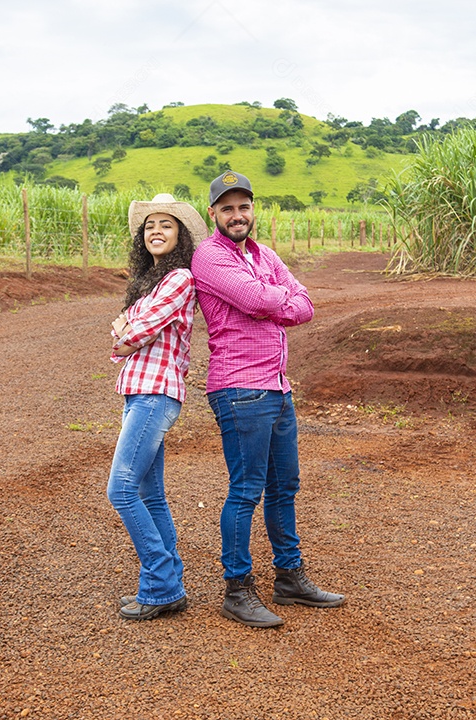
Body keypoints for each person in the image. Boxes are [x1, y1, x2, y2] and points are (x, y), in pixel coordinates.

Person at [191, 170, 345, 628]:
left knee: (285, 487)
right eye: (228, 208)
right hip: (239, 389)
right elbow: (258, 301)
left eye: (244, 207)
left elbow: (305, 304)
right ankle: (237, 589)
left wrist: (274, 299)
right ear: (213, 214)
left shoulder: (264, 254)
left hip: (278, 387)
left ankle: (289, 578)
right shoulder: (209, 256)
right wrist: (276, 299)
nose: (238, 216)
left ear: (253, 210)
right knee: (246, 491)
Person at [107, 192, 207, 621]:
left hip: (155, 393)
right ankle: (169, 585)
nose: (155, 231)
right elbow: (125, 340)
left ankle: (161, 582)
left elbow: (132, 334)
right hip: (138, 392)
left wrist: (125, 328)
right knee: (149, 493)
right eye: (149, 226)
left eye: (166, 225)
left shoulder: (180, 278)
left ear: (181, 235)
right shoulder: (150, 282)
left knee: (121, 488)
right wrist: (126, 332)